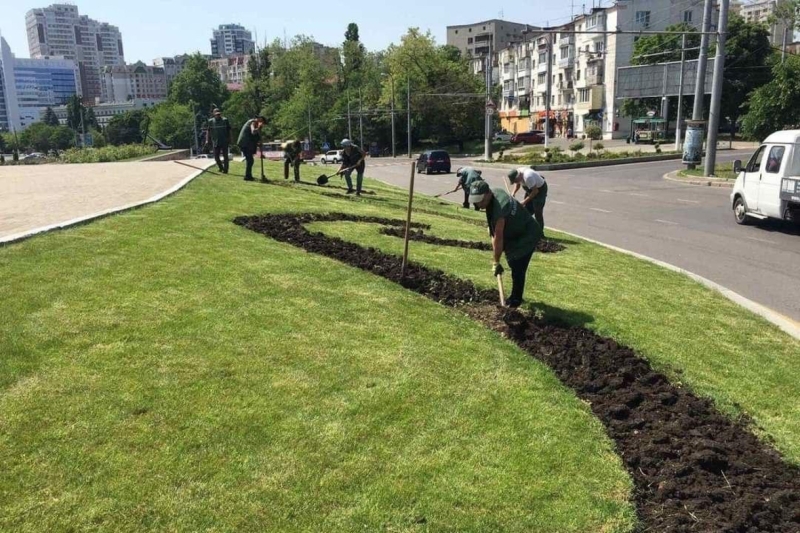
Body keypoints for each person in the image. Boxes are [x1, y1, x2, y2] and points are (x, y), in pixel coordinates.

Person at [469, 180, 542, 309]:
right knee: (513, 260)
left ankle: (515, 301)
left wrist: (496, 261)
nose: (478, 204)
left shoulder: (500, 209)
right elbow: (494, 233)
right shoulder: (493, 196)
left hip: (527, 234)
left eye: (480, 200)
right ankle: (515, 298)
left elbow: (498, 237)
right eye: (475, 200)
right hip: (516, 232)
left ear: (488, 194)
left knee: (517, 263)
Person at [507, 167, 547, 233]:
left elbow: (535, 191)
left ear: (518, 177)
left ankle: (540, 233)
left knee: (537, 211)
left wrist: (524, 201)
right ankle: (526, 229)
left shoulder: (528, 177)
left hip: (539, 190)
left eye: (515, 180)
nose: (515, 182)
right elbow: (517, 184)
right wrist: (513, 193)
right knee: (526, 210)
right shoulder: (518, 173)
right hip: (530, 188)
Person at [237, 116, 266, 182]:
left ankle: (248, 175)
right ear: (260, 120)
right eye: (262, 122)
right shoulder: (252, 123)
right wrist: (259, 127)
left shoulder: (256, 124)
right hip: (245, 143)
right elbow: (253, 132)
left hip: (248, 144)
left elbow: (257, 136)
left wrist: (259, 142)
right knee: (250, 160)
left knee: (250, 160)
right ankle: (247, 176)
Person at [207, 108, 231, 174]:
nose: (218, 115)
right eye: (216, 114)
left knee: (225, 156)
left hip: (224, 141)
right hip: (215, 141)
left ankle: (226, 170)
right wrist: (207, 140)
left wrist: (230, 139)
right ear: (214, 114)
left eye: (219, 114)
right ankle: (221, 167)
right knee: (216, 157)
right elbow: (208, 131)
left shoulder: (225, 120)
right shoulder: (210, 121)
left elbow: (229, 130)